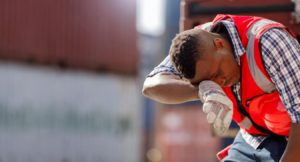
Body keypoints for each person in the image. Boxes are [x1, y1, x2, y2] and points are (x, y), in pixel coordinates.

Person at [142, 14, 300, 162]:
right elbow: (150, 86)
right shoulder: (192, 47)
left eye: (217, 73)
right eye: (210, 79)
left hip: (293, 136)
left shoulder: (269, 41)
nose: (221, 81)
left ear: (219, 44)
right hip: (257, 137)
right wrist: (203, 89)